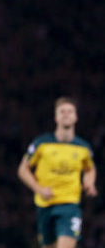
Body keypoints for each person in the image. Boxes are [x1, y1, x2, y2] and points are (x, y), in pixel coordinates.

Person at [17, 97, 98, 248]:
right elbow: (23, 169)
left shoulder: (83, 147)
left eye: (70, 111)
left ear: (76, 117)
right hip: (45, 204)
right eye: (62, 112)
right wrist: (38, 189)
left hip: (70, 204)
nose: (66, 114)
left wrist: (90, 182)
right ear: (56, 117)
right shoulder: (41, 143)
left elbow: (90, 168)